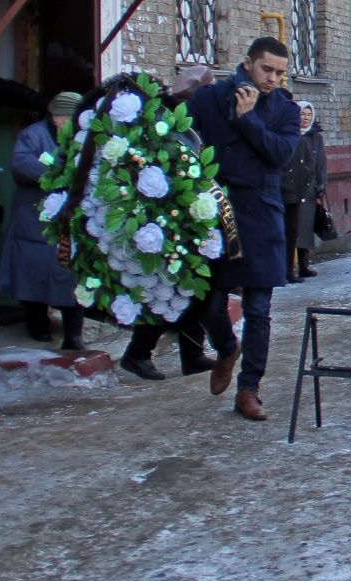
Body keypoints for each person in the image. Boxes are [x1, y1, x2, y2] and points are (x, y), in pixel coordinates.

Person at [190, 37, 303, 422]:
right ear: (247, 63)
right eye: (266, 69)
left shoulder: (285, 110)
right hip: (213, 211)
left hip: (261, 212)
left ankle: (249, 388)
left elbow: (281, 154)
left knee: (258, 308)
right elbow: (181, 132)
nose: (272, 78)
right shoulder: (211, 99)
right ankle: (225, 346)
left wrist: (250, 119)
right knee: (205, 300)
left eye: (279, 72)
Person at [118, 65, 219, 381]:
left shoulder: (186, 121)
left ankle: (192, 354)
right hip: (168, 219)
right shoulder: (166, 123)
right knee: (168, 289)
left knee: (188, 288)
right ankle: (137, 353)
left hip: (188, 216)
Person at [0, 91, 88, 351]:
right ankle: (37, 324)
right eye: (68, 117)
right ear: (56, 115)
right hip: (34, 220)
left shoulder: (80, 135)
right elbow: (22, 163)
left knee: (71, 274)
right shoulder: (32, 135)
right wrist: (58, 174)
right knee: (31, 273)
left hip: (69, 219)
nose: (72, 122)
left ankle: (74, 334)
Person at [282, 102, 327, 284]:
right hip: (292, 187)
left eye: (309, 114)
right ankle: (287, 269)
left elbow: (321, 162)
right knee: (291, 229)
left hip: (310, 188)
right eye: (302, 113)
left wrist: (321, 184)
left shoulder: (315, 136)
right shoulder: (291, 135)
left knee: (306, 228)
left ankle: (303, 266)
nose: (306, 117)